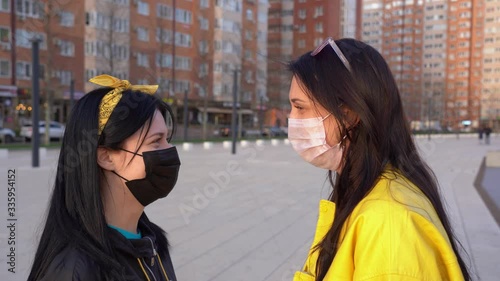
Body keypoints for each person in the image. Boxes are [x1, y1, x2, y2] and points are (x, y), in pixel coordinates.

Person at [287, 38, 471, 281]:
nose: (292, 119)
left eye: (300, 108)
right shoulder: (365, 190)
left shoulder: (390, 223)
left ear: (350, 113)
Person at [28, 75, 180, 281]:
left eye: (167, 139)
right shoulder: (74, 271)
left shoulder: (152, 242)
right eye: (156, 141)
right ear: (106, 157)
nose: (170, 150)